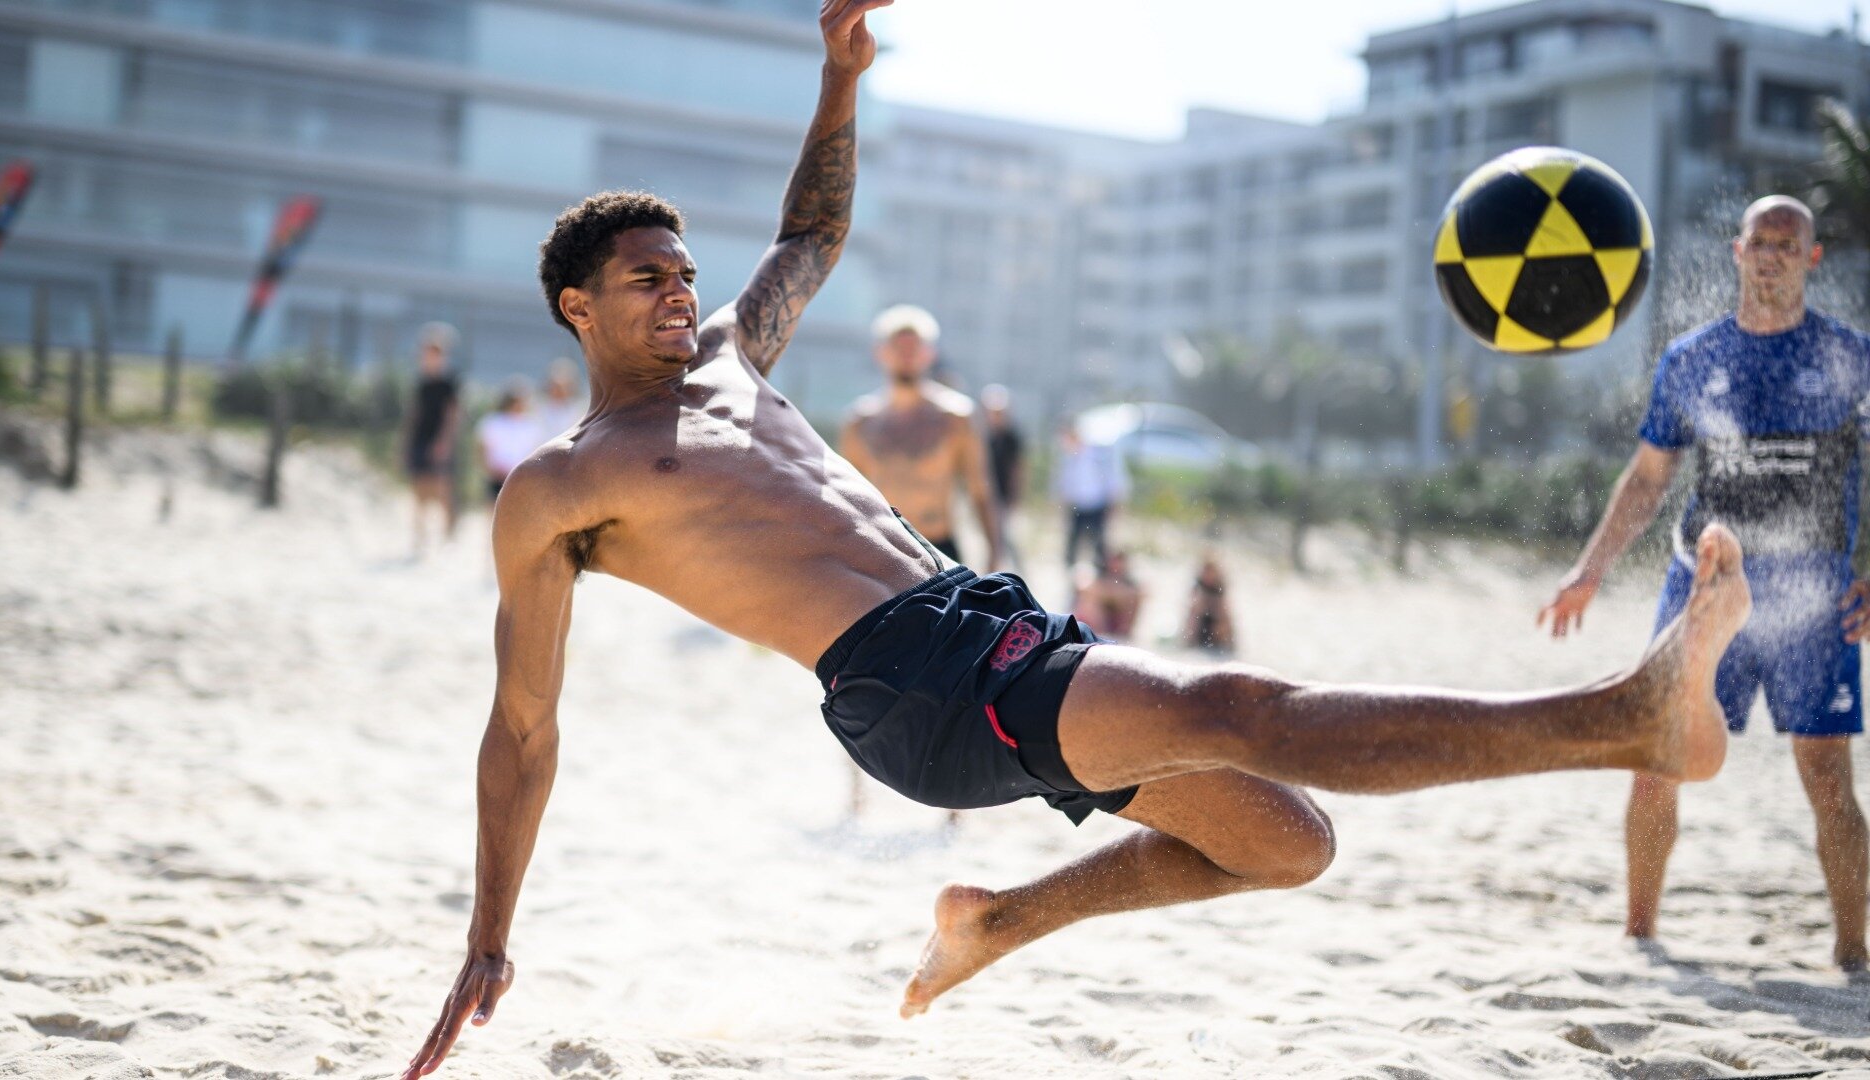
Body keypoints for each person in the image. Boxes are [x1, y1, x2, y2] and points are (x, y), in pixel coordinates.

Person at [401, 8, 1752, 1075]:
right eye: (648, 276)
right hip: (906, 685)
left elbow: (810, 231)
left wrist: (840, 73)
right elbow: (522, 728)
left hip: (983, 622)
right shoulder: (564, 486)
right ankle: (1621, 719)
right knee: (1234, 706)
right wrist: (488, 935)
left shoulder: (730, 364)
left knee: (1285, 842)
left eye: (684, 270)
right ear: (576, 307)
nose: (680, 290)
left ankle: (995, 922)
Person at [1539, 195, 1870, 970]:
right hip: (1705, 591)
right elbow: (1650, 479)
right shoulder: (1692, 357)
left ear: (1812, 258)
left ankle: (1855, 953)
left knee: (1827, 775)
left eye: (1789, 243)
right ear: (1737, 250)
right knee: (1656, 761)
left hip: (1815, 600)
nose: (1773, 254)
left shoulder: (1853, 359)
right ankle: (1639, 936)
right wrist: (1589, 570)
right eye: (1761, 240)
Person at [840, 305, 1003, 568]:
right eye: (898, 347)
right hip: (881, 549)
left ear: (929, 353)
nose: (907, 356)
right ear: (880, 353)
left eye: (914, 348)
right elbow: (849, 499)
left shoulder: (956, 417)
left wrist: (994, 555)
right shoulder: (860, 423)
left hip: (939, 550)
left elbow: (980, 491)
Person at [402, 322, 461, 557]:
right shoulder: (421, 381)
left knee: (442, 488)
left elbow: (452, 415)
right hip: (420, 437)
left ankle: (449, 532)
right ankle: (420, 535)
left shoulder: (449, 382)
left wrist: (444, 441)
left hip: (439, 439)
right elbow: (413, 413)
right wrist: (405, 442)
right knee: (419, 488)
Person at [1058, 424, 1128, 570]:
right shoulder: (1068, 457)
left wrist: (1114, 504)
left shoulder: (1098, 454)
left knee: (1099, 544)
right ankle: (1071, 573)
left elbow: (1112, 480)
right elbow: (1065, 484)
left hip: (1097, 506)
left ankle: (1100, 572)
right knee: (1073, 543)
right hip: (1077, 506)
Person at [475, 379, 546, 502]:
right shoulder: (493, 421)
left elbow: (536, 451)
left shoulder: (532, 424)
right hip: (497, 476)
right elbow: (482, 449)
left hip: (523, 477)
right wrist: (491, 470)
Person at [981, 383, 1026, 572]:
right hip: (986, 494)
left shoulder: (1011, 438)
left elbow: (1018, 469)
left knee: (1000, 536)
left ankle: (1006, 569)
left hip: (1003, 494)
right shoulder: (983, 435)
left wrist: (1014, 496)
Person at [1073, 550, 1144, 641]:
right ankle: (1099, 634)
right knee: (1091, 599)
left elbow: (1142, 593)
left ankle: (1121, 634)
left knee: (1133, 599)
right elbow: (1082, 587)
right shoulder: (1098, 575)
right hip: (1092, 623)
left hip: (1115, 624)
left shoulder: (1128, 581)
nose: (1116, 565)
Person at [1187, 553, 1236, 654]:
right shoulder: (1198, 585)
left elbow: (1224, 608)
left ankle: (1227, 645)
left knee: (1224, 615)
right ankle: (1191, 643)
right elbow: (1194, 605)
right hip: (1201, 619)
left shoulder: (1219, 587)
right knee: (1195, 610)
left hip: (1215, 618)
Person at [535, 358, 585, 438]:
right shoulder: (538, 410)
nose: (559, 390)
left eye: (563, 387)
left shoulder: (579, 411)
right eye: (556, 386)